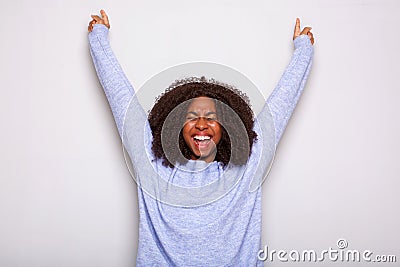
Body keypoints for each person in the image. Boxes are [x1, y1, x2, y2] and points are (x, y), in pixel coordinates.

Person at [88, 9, 314, 266]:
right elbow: (123, 102)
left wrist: (302, 51)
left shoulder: (245, 168)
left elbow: (279, 107)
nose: (202, 125)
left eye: (212, 117)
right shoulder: (152, 166)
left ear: (227, 126)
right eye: (191, 116)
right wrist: (99, 39)